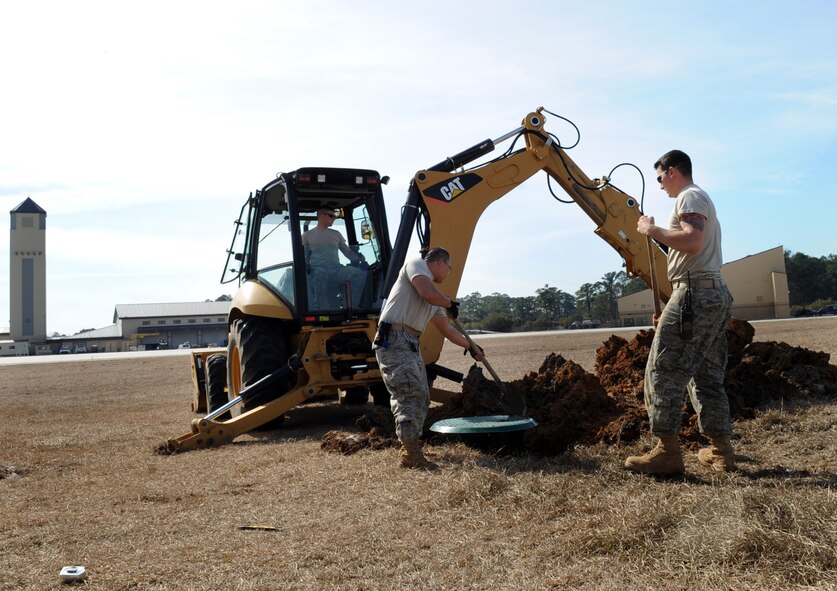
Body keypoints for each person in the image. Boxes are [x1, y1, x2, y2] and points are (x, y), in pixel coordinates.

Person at [625, 150, 735, 475]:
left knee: (661, 370)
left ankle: (667, 452)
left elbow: (692, 242)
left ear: (672, 171)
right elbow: (689, 248)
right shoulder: (697, 198)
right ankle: (721, 450)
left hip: (694, 293)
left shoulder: (689, 196)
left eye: (660, 178)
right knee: (707, 375)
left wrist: (650, 230)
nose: (660, 186)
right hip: (710, 294)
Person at [373, 247, 485, 469]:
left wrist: (472, 346)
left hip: (410, 343)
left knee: (422, 395)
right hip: (394, 338)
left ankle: (411, 444)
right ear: (440, 262)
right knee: (409, 393)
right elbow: (426, 291)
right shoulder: (416, 264)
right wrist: (448, 302)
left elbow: (448, 331)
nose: (449, 272)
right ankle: (410, 455)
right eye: (449, 267)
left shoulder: (435, 297)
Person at [301, 207, 367, 308]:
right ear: (320, 216)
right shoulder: (306, 236)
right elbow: (303, 256)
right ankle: (323, 310)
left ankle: (350, 307)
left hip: (336, 269)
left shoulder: (336, 234)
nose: (334, 218)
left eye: (335, 216)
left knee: (357, 274)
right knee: (320, 275)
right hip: (318, 268)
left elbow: (347, 252)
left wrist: (359, 259)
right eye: (331, 216)